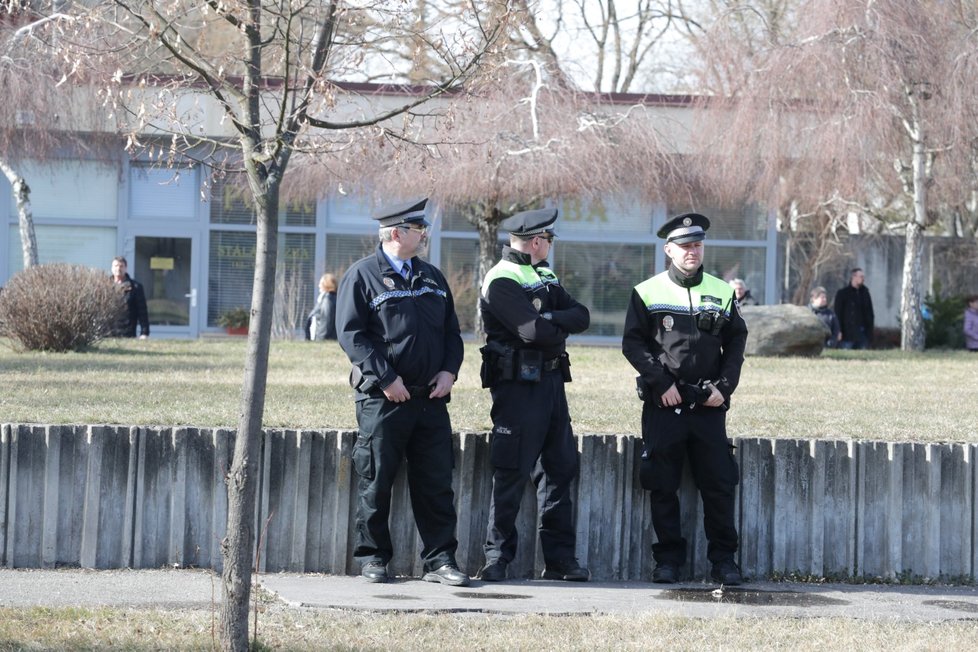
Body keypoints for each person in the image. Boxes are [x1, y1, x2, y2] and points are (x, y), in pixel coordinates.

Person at [335, 197, 469, 587]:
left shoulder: (432, 277)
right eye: (418, 229)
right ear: (397, 233)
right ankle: (373, 558)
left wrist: (449, 371)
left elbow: (451, 334)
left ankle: (440, 561)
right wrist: (385, 378)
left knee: (436, 483)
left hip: (430, 399)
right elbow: (352, 337)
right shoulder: (362, 275)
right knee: (376, 480)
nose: (424, 234)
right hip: (383, 399)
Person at [621, 213, 748, 586]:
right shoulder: (647, 291)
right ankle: (668, 562)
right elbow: (632, 343)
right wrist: (660, 383)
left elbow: (736, 342)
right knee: (662, 484)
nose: (692, 251)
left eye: (697, 244)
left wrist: (724, 388)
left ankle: (724, 562)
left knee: (719, 486)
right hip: (665, 405)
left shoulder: (722, 291)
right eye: (685, 246)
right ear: (669, 250)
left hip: (708, 404)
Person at [477, 208, 591, 583]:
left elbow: (581, 315)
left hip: (553, 384)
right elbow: (531, 332)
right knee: (511, 472)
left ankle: (560, 561)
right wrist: (553, 325)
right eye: (549, 240)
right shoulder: (501, 278)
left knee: (559, 470)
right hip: (517, 388)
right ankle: (496, 559)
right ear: (538, 241)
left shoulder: (544, 274)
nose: (550, 245)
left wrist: (552, 321)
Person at [833, 268, 874, 349]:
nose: (863, 279)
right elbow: (838, 314)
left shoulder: (865, 293)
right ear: (854, 277)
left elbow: (870, 313)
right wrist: (839, 331)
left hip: (862, 333)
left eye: (863, 277)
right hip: (847, 333)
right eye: (861, 276)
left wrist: (869, 332)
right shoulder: (843, 294)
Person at [110, 256, 149, 338]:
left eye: (121, 266)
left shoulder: (135, 287)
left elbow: (142, 311)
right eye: (116, 266)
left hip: (127, 332)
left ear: (126, 268)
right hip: (107, 332)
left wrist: (144, 332)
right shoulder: (104, 285)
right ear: (112, 268)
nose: (118, 269)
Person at [307, 273, 338, 340]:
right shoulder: (326, 298)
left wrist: (321, 338)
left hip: (323, 339)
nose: (319, 285)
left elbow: (326, 321)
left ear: (327, 285)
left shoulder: (328, 300)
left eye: (321, 283)